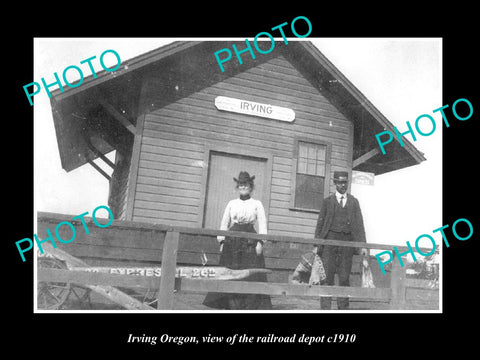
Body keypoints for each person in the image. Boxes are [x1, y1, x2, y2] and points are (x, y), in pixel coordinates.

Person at [203, 171, 272, 310]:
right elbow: (224, 223)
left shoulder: (257, 204)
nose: (243, 187)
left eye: (246, 184)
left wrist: (260, 242)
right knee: (230, 270)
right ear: (238, 187)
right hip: (232, 241)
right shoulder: (232, 203)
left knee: (249, 272)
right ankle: (230, 303)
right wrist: (222, 241)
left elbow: (263, 224)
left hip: (249, 241)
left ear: (251, 187)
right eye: (240, 185)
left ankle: (249, 305)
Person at [314, 171, 368, 310]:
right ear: (335, 183)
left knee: (344, 277)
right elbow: (320, 225)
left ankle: (343, 309)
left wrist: (363, 246)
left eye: (345, 182)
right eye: (339, 182)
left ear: (347, 183)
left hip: (347, 244)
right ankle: (325, 309)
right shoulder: (327, 202)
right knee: (326, 277)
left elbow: (359, 225)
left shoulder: (353, 202)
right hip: (329, 244)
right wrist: (317, 244)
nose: (342, 185)